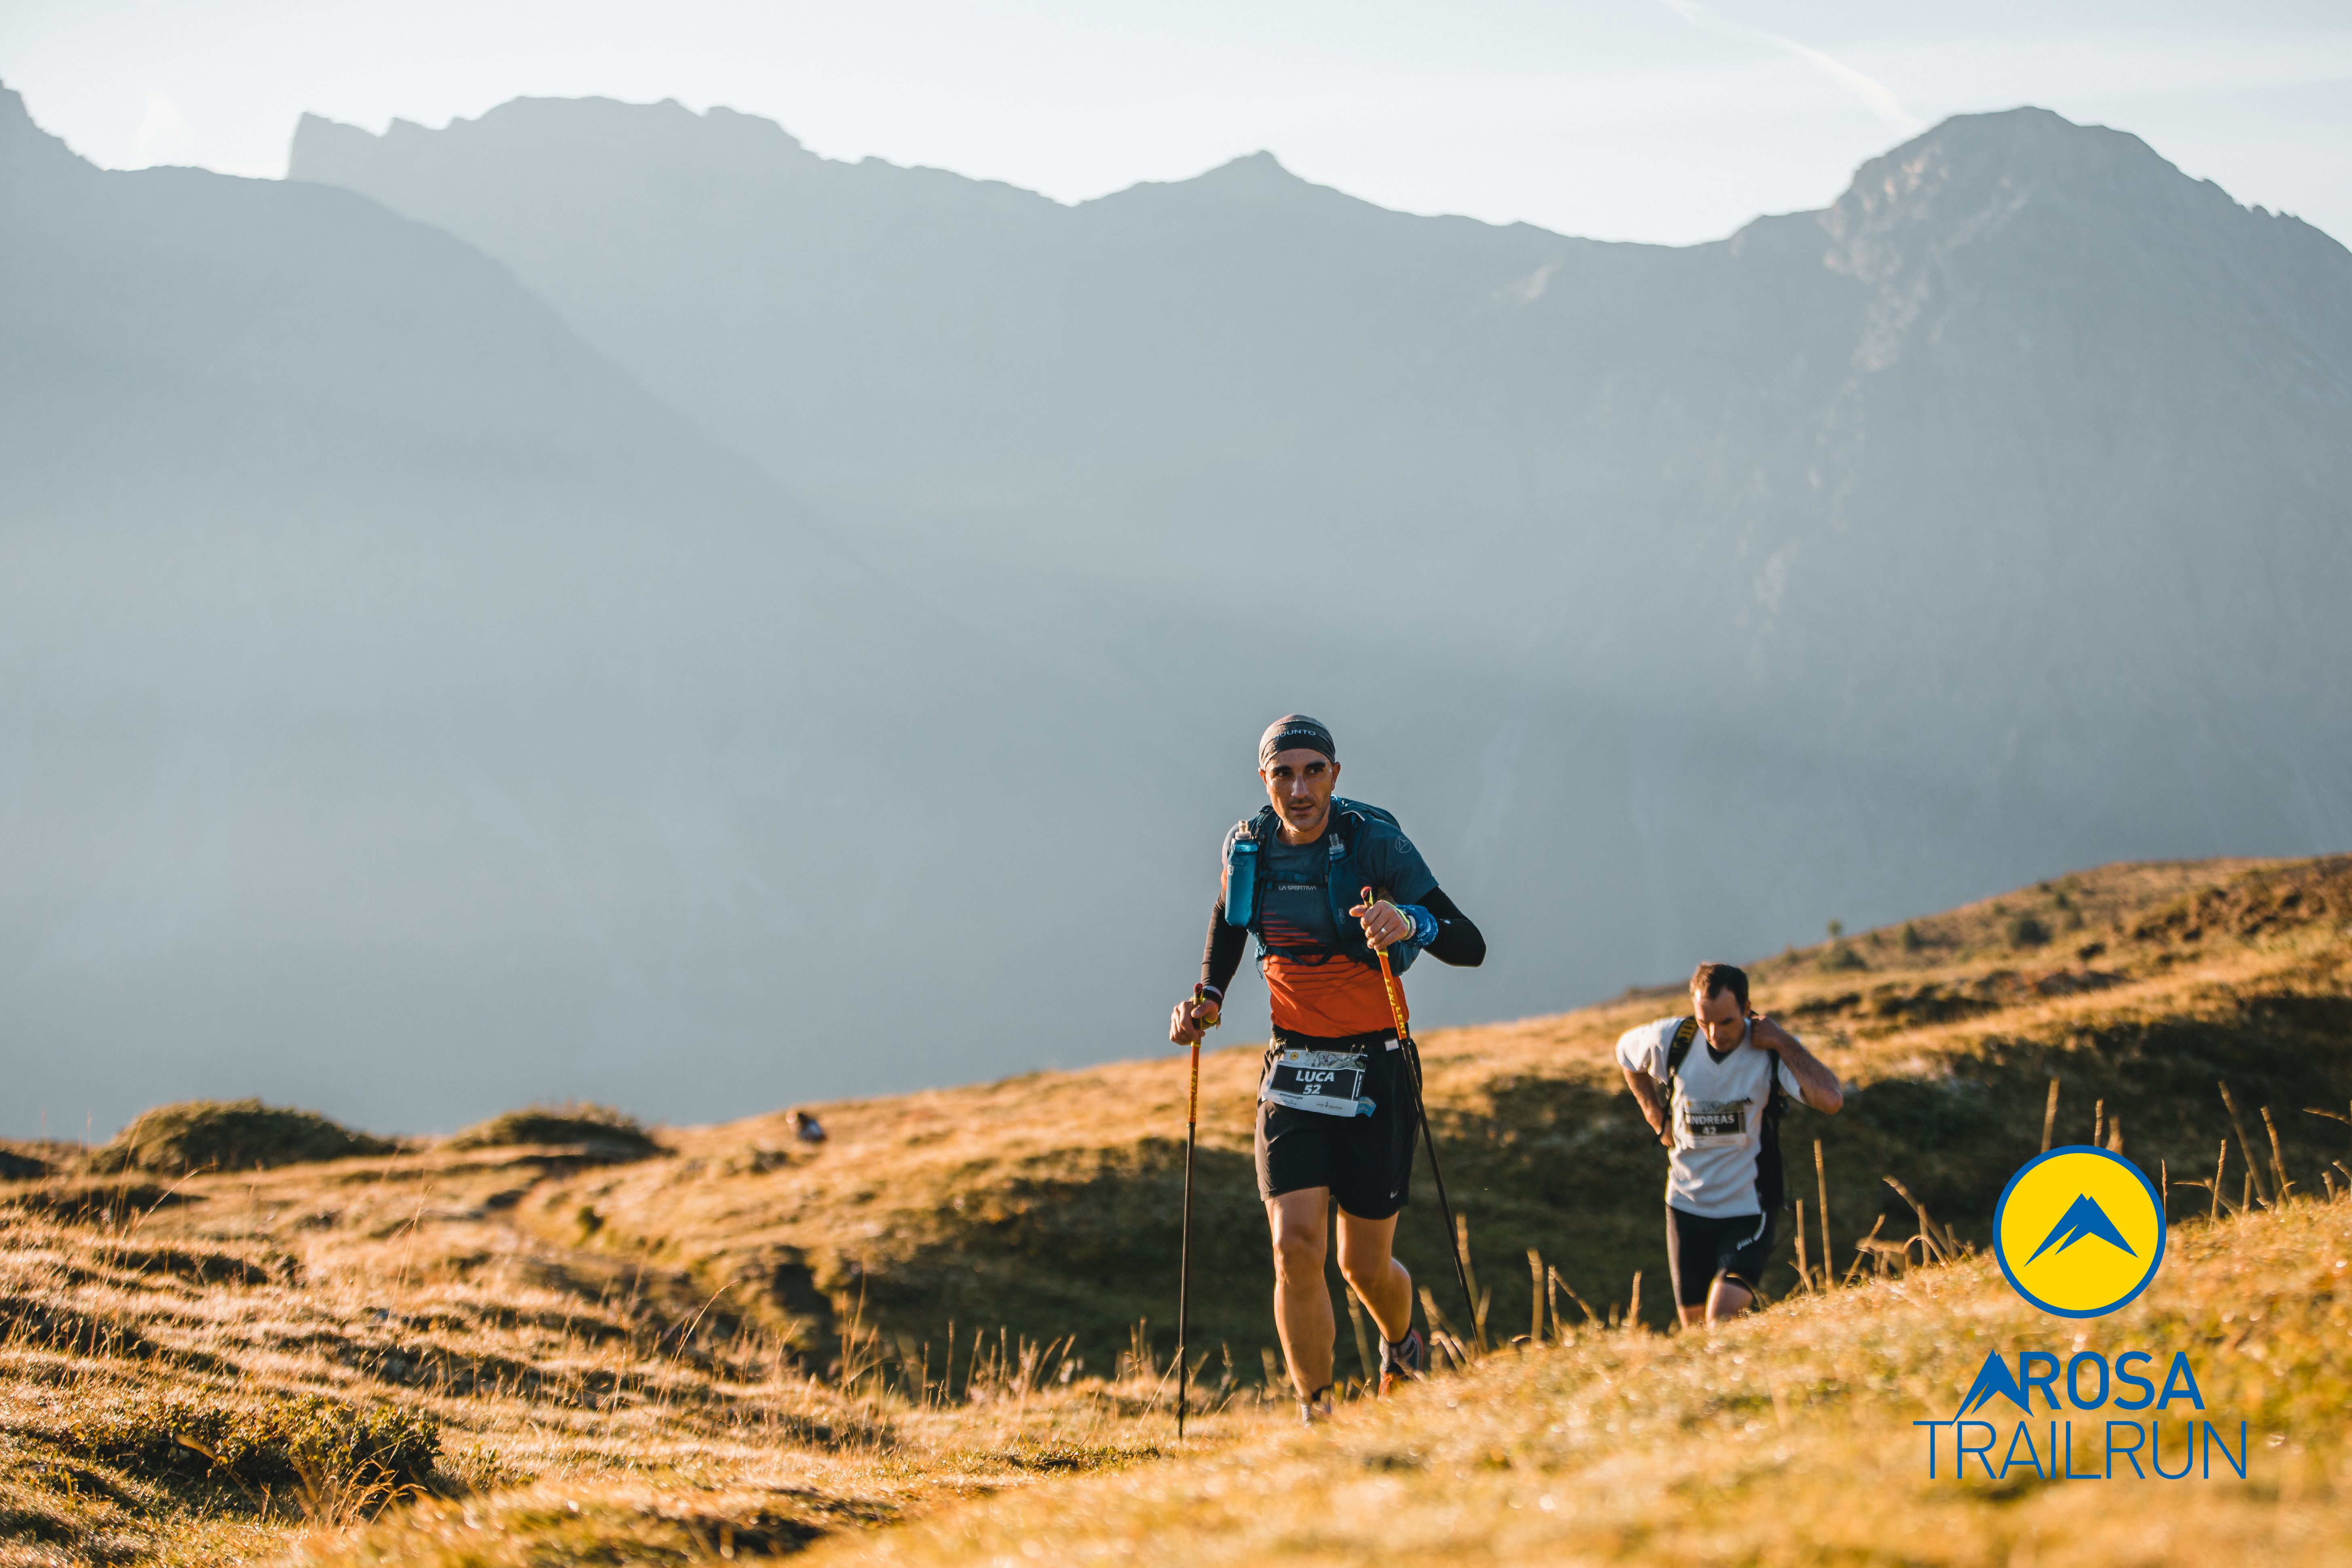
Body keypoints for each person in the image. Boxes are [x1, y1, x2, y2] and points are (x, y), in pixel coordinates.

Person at [1169, 715, 1485, 1422]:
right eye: (1283, 774)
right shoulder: (1249, 847)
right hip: (1293, 1065)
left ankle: (1403, 1343)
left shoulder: (1375, 842)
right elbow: (1228, 922)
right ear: (1264, 779)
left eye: (1313, 771)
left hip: (1378, 1065)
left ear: (1335, 775)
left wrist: (1411, 922)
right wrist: (1208, 998)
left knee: (1361, 1265)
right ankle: (1317, 1415)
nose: (1299, 789)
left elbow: (1470, 944)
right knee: (1294, 1245)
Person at [1615, 961, 1843, 1328]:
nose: (1714, 1033)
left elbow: (1830, 1099)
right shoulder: (1672, 1039)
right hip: (1685, 1207)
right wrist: (1655, 1116)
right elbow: (1626, 1055)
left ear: (1747, 1008)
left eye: (1726, 1022)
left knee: (1720, 1319)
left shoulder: (1770, 1050)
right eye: (1704, 1021)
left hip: (1748, 1209)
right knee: (1695, 1333)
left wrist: (1783, 1041)